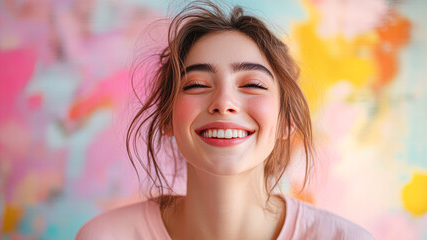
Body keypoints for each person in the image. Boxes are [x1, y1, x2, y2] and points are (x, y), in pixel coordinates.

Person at [76, 1, 374, 239]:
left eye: (252, 85)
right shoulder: (104, 236)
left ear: (286, 120)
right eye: (197, 85)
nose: (223, 103)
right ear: (167, 118)